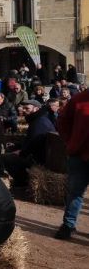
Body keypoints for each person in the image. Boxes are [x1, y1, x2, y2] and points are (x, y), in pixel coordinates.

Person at [54, 89, 89, 240]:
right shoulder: (79, 99)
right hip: (79, 155)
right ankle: (68, 225)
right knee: (75, 192)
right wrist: (70, 141)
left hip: (79, 154)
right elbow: (62, 121)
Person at [2, 100, 56, 189]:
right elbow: (31, 140)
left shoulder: (39, 122)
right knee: (11, 149)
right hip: (36, 153)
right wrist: (17, 146)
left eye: (27, 108)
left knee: (5, 158)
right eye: (23, 108)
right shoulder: (37, 119)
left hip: (39, 159)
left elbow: (34, 144)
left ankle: (23, 182)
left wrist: (20, 152)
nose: (24, 110)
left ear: (36, 109)